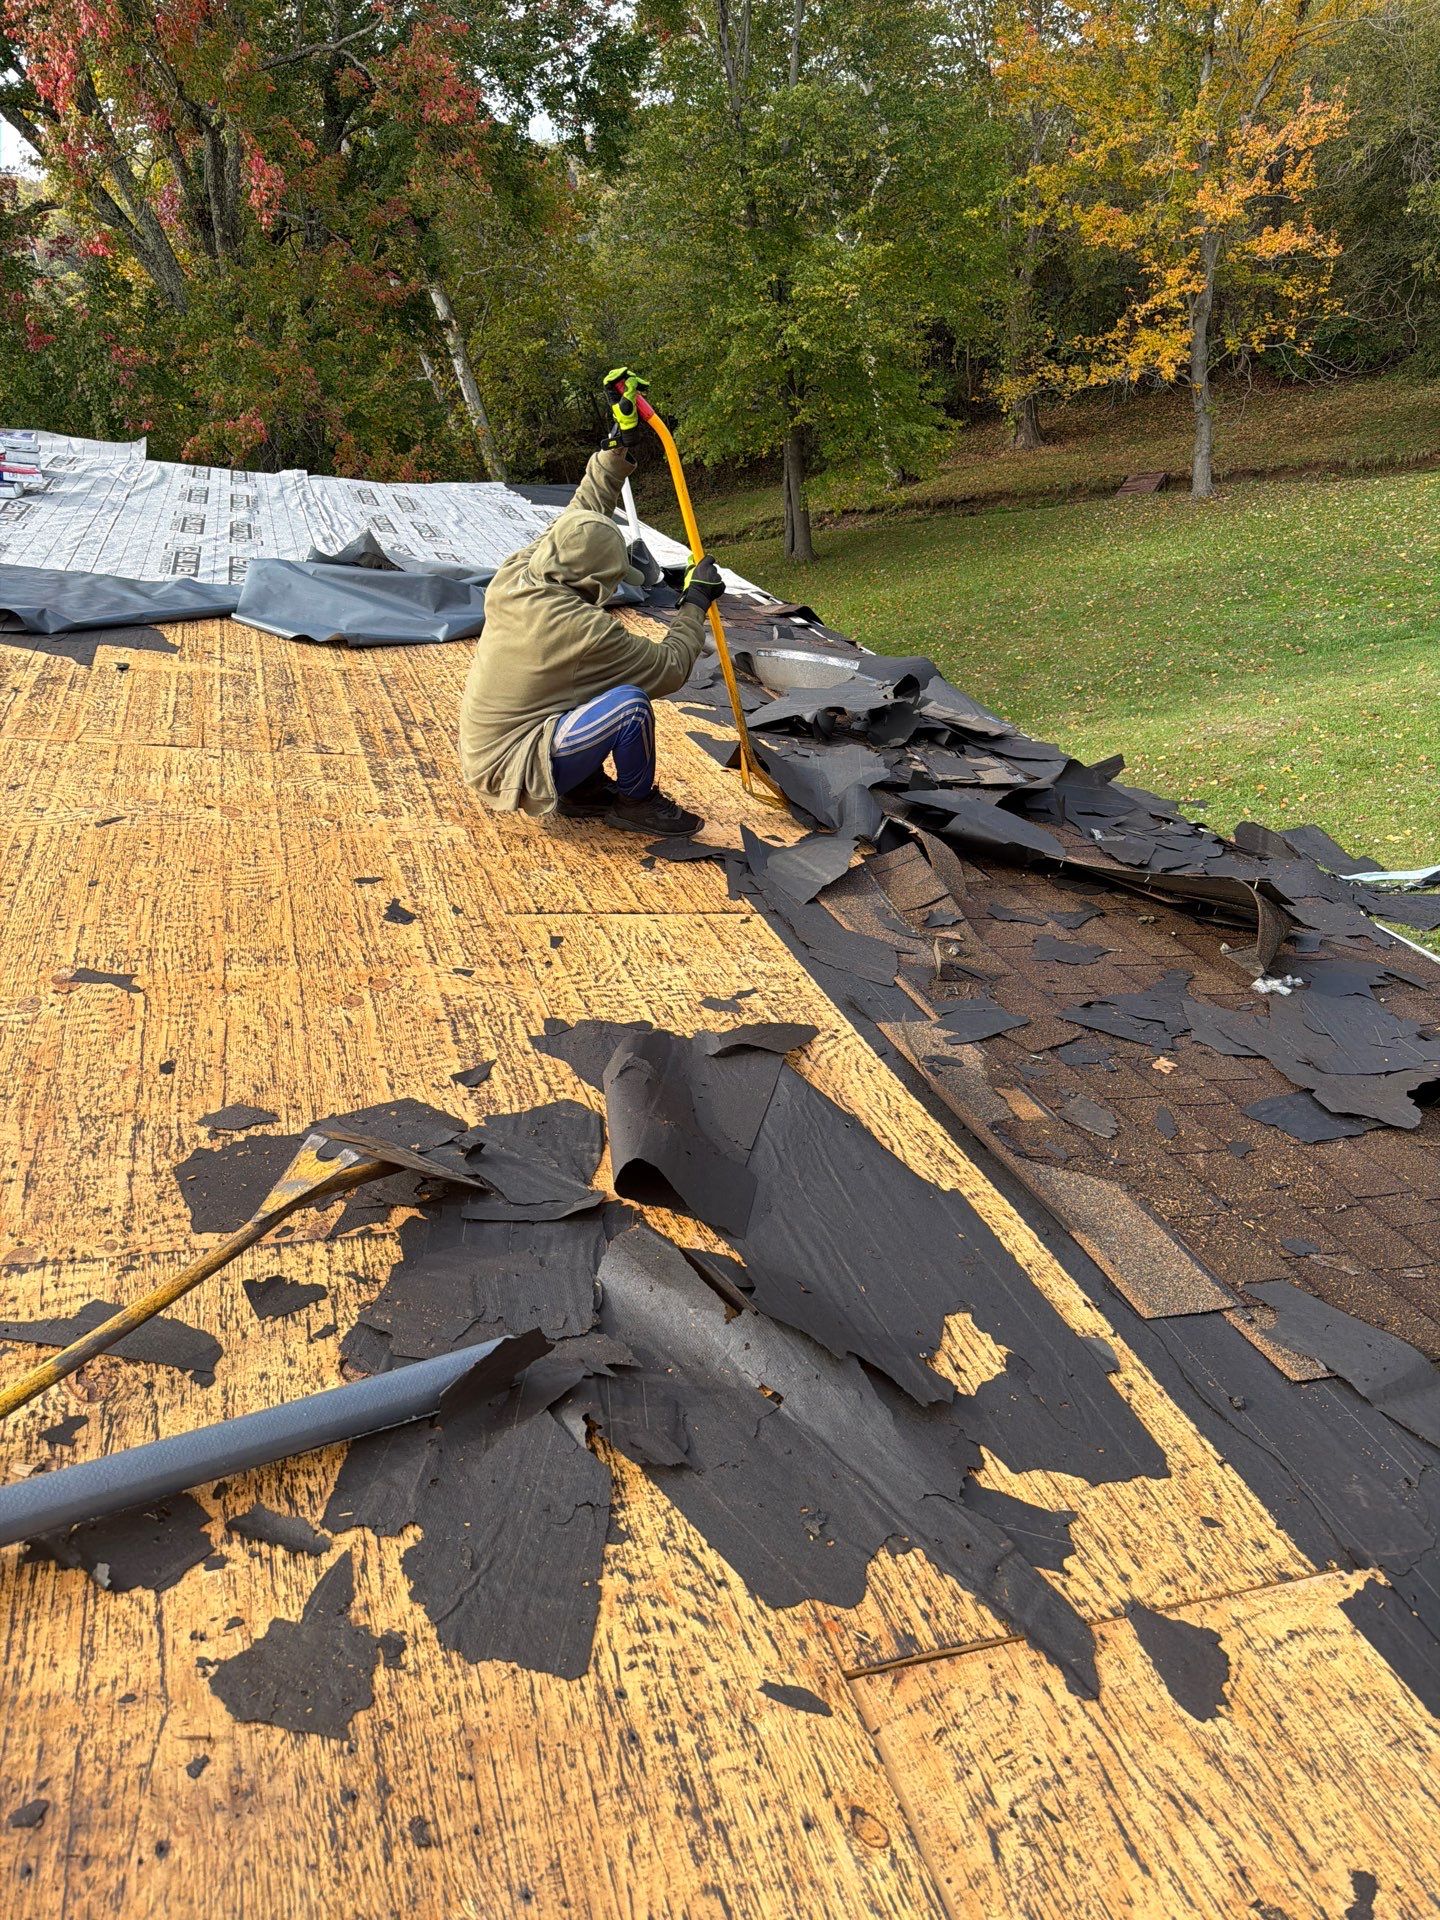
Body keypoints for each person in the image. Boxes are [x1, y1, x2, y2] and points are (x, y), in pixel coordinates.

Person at [458, 369, 724, 836]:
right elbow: (670, 667)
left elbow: (584, 511)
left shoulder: (520, 571)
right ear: (600, 582)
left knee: (592, 687)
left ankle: (580, 789)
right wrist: (695, 602)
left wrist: (616, 442)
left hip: (493, 743)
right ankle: (635, 804)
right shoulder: (584, 631)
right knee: (628, 703)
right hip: (512, 765)